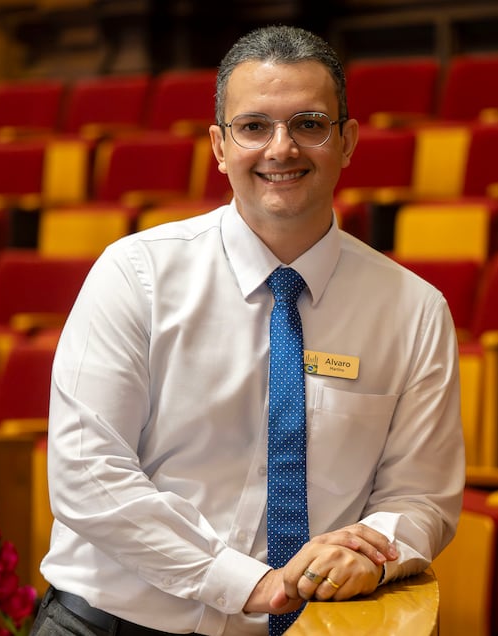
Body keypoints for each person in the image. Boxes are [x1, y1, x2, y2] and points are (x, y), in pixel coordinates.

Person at [32, 24, 464, 636]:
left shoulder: (414, 310)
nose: (281, 149)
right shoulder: (135, 275)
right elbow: (86, 472)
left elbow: (420, 497)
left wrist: (370, 547)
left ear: (347, 142)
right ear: (218, 144)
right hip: (112, 625)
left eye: (309, 124)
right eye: (254, 126)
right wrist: (247, 583)